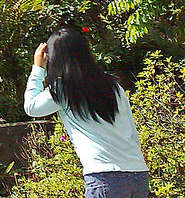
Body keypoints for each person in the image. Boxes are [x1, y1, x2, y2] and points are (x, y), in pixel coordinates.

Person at [24, 27, 148, 198]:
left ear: (55, 58)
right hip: (138, 175)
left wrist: (38, 69)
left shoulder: (64, 88)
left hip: (104, 177)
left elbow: (32, 107)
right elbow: (132, 133)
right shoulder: (114, 87)